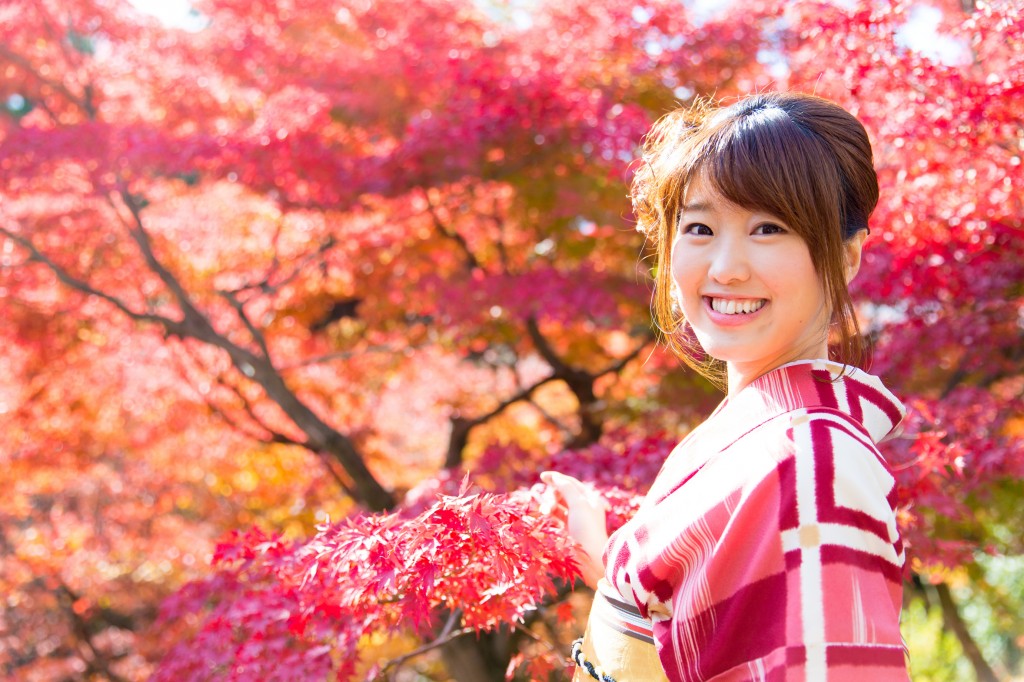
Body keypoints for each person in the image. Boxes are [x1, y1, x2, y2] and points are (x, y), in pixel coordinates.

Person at [542, 92, 910, 682]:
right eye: (699, 226)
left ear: (845, 258)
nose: (725, 267)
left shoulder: (808, 459)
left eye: (768, 227)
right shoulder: (760, 439)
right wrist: (614, 563)